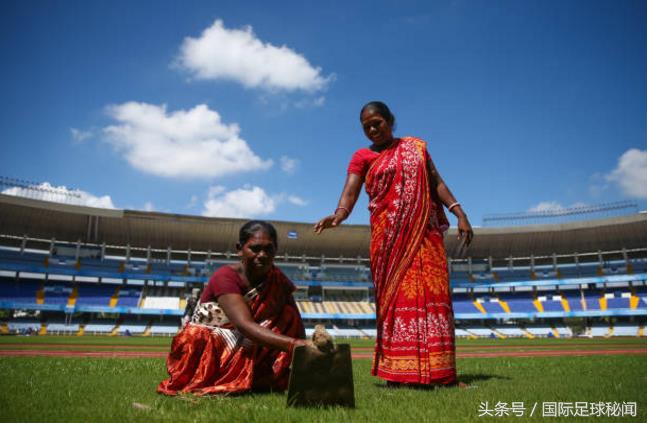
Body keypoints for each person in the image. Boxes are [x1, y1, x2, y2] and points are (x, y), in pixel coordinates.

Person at [315, 101, 473, 387]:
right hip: (387, 241)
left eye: (377, 123)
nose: (373, 129)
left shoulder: (415, 148)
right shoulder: (362, 156)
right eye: (367, 127)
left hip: (424, 237)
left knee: (433, 302)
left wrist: (459, 211)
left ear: (390, 120)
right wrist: (339, 215)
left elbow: (436, 182)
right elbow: (350, 191)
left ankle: (441, 374)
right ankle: (397, 374)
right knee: (395, 304)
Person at [158, 220, 308, 396]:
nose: (262, 255)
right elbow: (244, 326)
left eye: (269, 249)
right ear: (239, 248)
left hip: (247, 342)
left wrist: (307, 355)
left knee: (288, 314)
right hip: (213, 345)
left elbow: (295, 321)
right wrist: (295, 345)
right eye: (255, 248)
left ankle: (265, 376)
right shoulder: (225, 276)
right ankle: (236, 375)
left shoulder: (276, 278)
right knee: (200, 337)